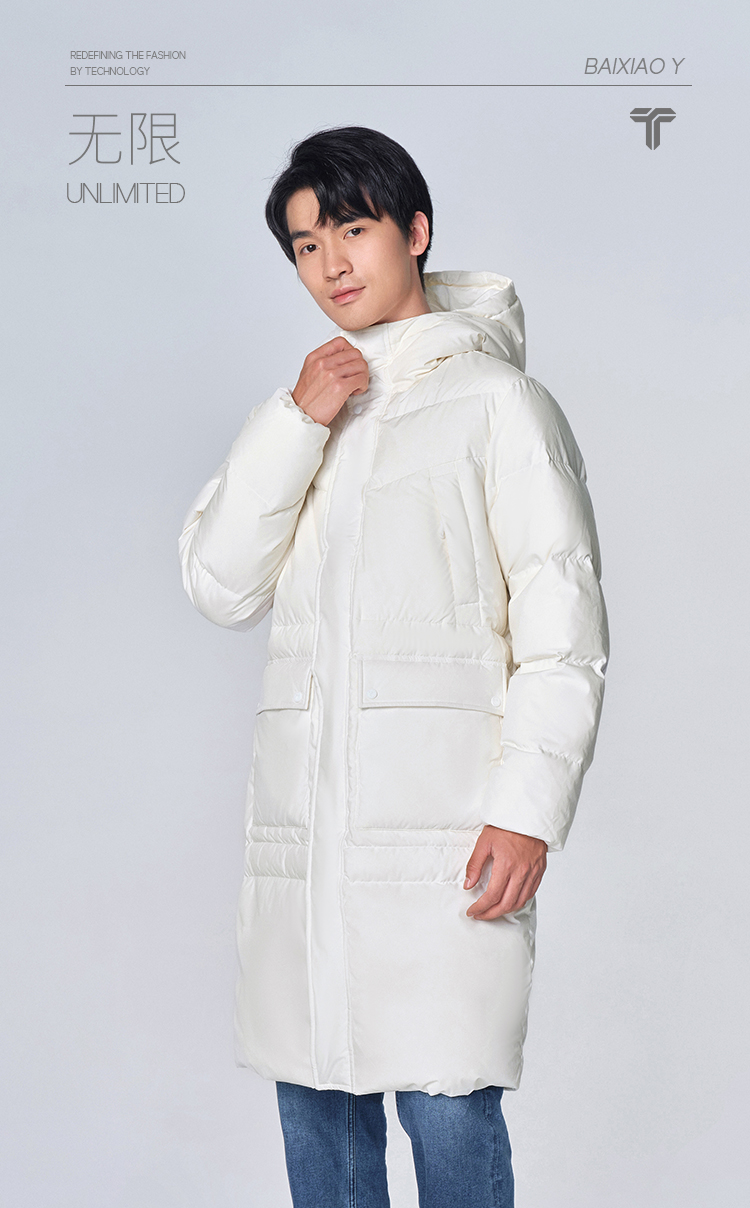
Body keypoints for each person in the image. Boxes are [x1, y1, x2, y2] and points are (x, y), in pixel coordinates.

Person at [178, 125, 609, 1208]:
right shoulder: (307, 414)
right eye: (304, 245)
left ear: (415, 232)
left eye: (353, 229)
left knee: (448, 1108)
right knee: (318, 1115)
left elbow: (562, 630)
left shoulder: (501, 404)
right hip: (310, 852)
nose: (330, 263)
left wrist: (527, 809)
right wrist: (296, 422)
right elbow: (221, 585)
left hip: (447, 843)